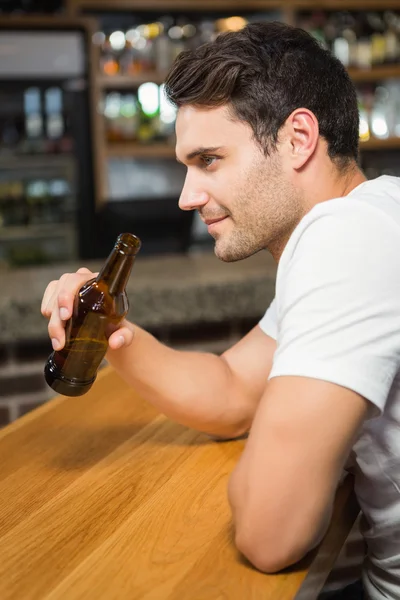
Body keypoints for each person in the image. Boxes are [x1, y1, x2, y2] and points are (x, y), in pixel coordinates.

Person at [40, 22, 400, 600]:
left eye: (209, 159)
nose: (187, 195)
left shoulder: (347, 239)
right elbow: (233, 390)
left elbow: (270, 531)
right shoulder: (373, 213)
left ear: (298, 138)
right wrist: (110, 331)